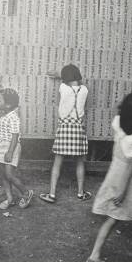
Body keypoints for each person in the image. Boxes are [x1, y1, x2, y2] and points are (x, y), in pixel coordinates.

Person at [86, 92, 132, 262]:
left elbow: (118, 112)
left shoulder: (118, 122)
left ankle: (94, 256)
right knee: (118, 217)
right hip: (129, 182)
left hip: (114, 173)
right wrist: (122, 193)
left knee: (112, 218)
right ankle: (94, 256)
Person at [40, 64, 91, 204]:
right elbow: (78, 83)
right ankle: (81, 193)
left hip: (64, 128)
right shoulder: (85, 90)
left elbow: (64, 81)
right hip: (78, 129)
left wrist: (59, 75)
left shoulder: (63, 88)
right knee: (80, 162)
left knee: (57, 162)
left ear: (65, 78)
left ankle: (52, 194)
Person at [0, 88, 34, 210]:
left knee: (9, 174)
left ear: (8, 104)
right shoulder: (4, 115)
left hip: (11, 147)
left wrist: (10, 152)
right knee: (4, 175)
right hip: (2, 146)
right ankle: (10, 199)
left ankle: (26, 193)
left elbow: (15, 136)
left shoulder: (13, 117)